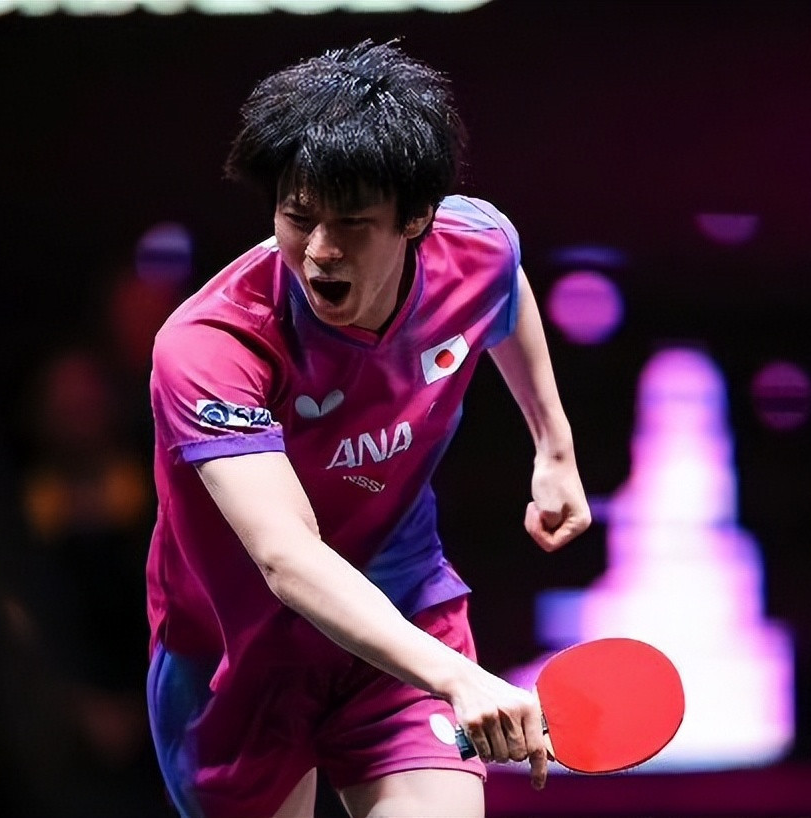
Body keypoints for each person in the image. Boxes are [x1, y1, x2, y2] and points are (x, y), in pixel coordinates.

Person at [144, 38, 591, 818]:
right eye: (298, 217)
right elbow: (286, 558)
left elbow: (504, 283)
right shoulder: (211, 346)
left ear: (417, 219)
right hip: (235, 654)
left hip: (403, 611)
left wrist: (554, 446)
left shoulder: (472, 247)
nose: (320, 251)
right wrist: (457, 678)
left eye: (351, 222)